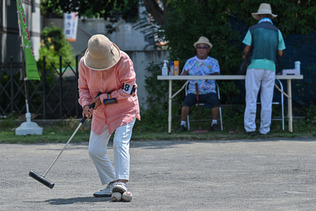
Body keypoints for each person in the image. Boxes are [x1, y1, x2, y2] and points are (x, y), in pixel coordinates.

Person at [78, 34, 140, 197]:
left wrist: (103, 98)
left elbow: (129, 89)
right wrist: (85, 104)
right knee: (95, 150)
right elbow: (83, 88)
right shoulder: (84, 63)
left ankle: (121, 182)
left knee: (120, 143)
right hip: (101, 113)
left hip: (124, 109)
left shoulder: (124, 60)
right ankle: (112, 183)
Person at [242, 3, 285, 135]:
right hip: (270, 67)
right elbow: (280, 53)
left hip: (254, 66)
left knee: (251, 98)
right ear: (271, 16)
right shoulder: (277, 31)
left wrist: (244, 56)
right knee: (267, 99)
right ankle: (265, 129)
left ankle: (250, 128)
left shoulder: (253, 29)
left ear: (259, 16)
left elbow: (247, 48)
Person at [177, 36, 221, 132]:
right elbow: (181, 79)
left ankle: (214, 124)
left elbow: (217, 74)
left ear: (208, 49)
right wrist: (184, 73)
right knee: (185, 103)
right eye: (199, 47)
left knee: (215, 102)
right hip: (193, 91)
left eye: (204, 47)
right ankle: (183, 125)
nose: (201, 50)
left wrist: (211, 75)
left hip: (209, 91)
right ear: (196, 49)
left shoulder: (213, 62)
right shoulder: (190, 61)